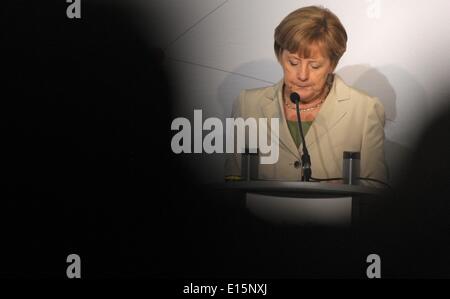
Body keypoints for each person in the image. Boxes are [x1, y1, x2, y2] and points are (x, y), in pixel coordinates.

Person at [225, 6, 387, 184]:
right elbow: (233, 181)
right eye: (293, 62)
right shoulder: (248, 105)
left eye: (315, 65)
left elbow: (375, 188)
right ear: (280, 56)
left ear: (332, 64)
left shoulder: (364, 110)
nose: (302, 75)